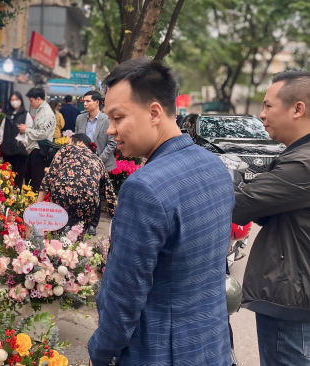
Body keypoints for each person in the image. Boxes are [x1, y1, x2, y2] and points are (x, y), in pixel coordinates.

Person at [88, 58, 233, 366]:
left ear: (154, 113)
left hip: (157, 351)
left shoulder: (144, 187)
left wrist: (100, 352)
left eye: (118, 117)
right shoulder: (215, 167)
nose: (111, 130)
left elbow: (122, 296)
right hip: (210, 346)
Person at [233, 71, 310, 366]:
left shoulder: (308, 162)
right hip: (305, 288)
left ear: (297, 108)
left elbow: (240, 205)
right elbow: (267, 207)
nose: (262, 115)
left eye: (268, 106)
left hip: (295, 295)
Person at [38, 133, 116, 234]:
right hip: (88, 198)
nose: (67, 145)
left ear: (80, 142)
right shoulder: (98, 160)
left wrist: (37, 207)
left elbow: (49, 177)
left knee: (56, 235)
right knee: (77, 234)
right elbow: (109, 192)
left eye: (69, 142)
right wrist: (116, 217)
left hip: (61, 193)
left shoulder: (65, 150)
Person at [75, 90, 116, 236]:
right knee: (80, 192)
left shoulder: (107, 120)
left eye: (88, 101)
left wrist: (98, 160)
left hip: (100, 161)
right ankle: (80, 221)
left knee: (96, 194)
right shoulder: (80, 118)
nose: (85, 104)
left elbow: (112, 144)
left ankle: (93, 223)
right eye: (84, 101)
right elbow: (76, 139)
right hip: (81, 161)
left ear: (97, 102)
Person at [18, 87, 56, 192]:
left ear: (38, 99)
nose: (30, 103)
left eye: (31, 101)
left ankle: (35, 204)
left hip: (40, 150)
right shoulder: (41, 110)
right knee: (29, 177)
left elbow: (43, 134)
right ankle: (30, 201)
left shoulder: (46, 113)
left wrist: (27, 130)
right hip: (35, 149)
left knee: (36, 179)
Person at [0, 91, 32, 188]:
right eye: (12, 100)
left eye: (16, 99)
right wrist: (2, 143)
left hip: (20, 151)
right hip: (7, 151)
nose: (14, 102)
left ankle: (16, 198)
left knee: (18, 176)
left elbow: (30, 130)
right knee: (6, 175)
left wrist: (25, 144)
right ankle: (6, 196)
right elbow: (2, 130)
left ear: (21, 101)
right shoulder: (7, 116)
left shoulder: (26, 115)